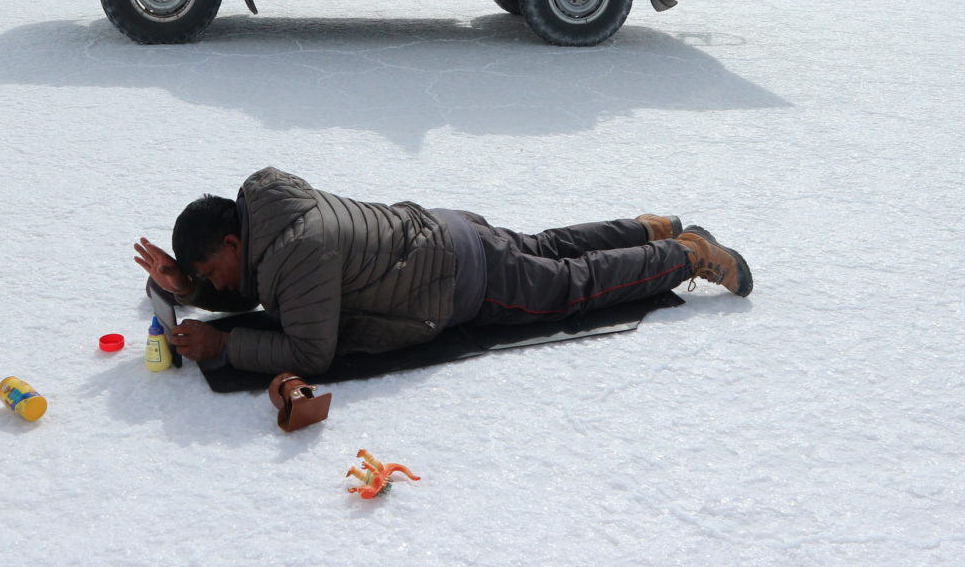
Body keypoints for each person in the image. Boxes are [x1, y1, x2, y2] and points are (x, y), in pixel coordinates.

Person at [134, 167, 753, 378]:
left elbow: (311, 351)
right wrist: (186, 286)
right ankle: (649, 227)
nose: (216, 284)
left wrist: (224, 342)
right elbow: (258, 285)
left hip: (454, 282)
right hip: (443, 228)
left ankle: (688, 254)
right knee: (549, 244)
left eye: (212, 269)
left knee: (574, 286)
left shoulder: (298, 253)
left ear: (234, 239)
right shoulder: (272, 200)